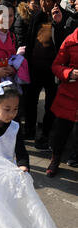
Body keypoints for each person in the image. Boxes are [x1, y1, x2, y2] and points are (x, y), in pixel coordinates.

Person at [24, 0, 70, 147]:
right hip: (35, 67)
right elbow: (29, 40)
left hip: (53, 70)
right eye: (41, 0)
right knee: (30, 99)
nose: (43, 3)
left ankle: (45, 133)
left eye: (47, 0)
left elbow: (64, 42)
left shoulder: (64, 17)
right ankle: (29, 129)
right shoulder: (37, 16)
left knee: (50, 104)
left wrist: (58, 23)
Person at [45, 27, 78, 177]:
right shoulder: (70, 41)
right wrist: (69, 73)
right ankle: (55, 159)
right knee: (61, 132)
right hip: (69, 95)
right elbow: (56, 65)